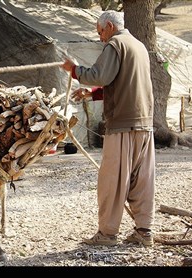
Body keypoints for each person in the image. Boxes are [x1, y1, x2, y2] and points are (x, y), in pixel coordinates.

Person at [61, 10, 155, 246]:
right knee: (141, 180)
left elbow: (100, 75)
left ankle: (107, 234)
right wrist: (91, 93)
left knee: (113, 181)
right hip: (144, 123)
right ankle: (144, 232)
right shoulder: (139, 46)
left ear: (110, 26)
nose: (101, 37)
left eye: (100, 31)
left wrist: (74, 70)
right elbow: (122, 80)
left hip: (122, 124)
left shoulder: (115, 44)